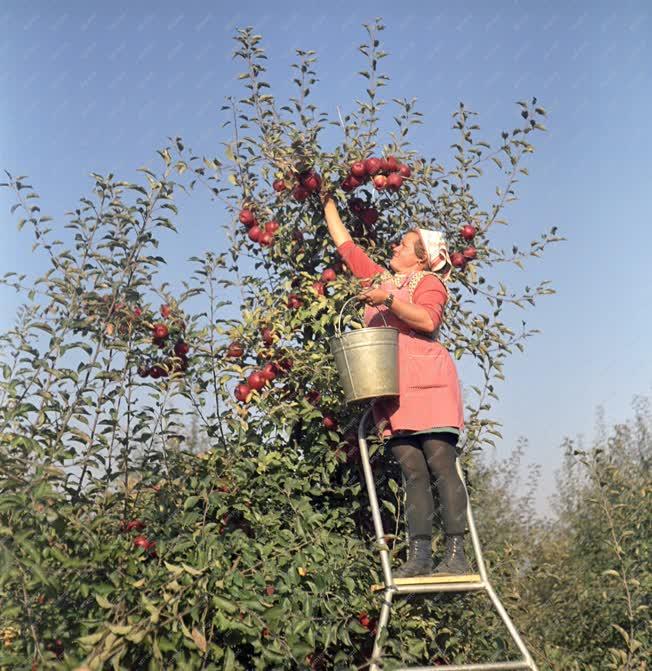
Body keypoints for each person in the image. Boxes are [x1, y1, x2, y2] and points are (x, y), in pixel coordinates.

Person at [321, 191, 471, 576]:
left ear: (420, 257)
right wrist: (326, 202)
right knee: (412, 470)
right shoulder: (381, 280)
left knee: (440, 462)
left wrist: (387, 299)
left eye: (403, 244)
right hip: (394, 390)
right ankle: (419, 556)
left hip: (429, 385)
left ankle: (456, 553)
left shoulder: (428, 283)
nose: (394, 246)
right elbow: (346, 246)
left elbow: (427, 321)